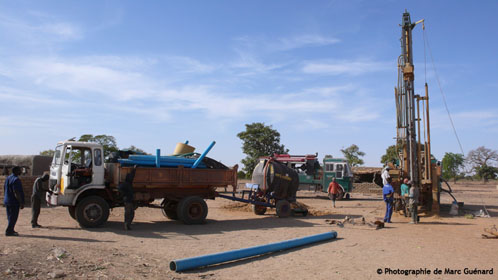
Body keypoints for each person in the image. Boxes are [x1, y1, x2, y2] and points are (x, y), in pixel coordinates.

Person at [4, 166, 25, 236]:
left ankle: (11, 229)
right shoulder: (16, 180)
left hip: (7, 200)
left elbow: (4, 188)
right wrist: (21, 202)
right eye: (19, 170)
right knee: (13, 217)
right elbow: (16, 192)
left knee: (10, 216)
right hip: (13, 202)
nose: (21, 172)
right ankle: (9, 231)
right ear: (16, 171)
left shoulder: (8, 178)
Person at [118, 166, 137, 230]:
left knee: (130, 213)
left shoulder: (124, 184)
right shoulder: (127, 184)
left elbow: (119, 188)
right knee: (129, 213)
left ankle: (127, 225)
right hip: (128, 201)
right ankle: (126, 225)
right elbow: (132, 176)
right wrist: (134, 170)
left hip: (128, 200)